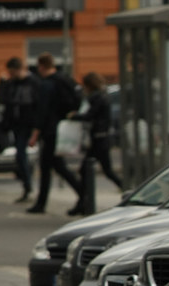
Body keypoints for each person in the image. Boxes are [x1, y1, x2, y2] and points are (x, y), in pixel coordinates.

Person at [27, 53, 84, 214]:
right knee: (52, 166)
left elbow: (42, 111)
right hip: (60, 127)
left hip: (50, 130)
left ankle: (82, 194)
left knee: (53, 166)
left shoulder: (47, 85)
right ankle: (42, 203)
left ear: (41, 66)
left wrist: (35, 134)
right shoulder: (63, 79)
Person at [68, 71, 124, 209]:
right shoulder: (99, 96)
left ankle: (83, 203)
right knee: (99, 170)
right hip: (99, 138)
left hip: (100, 139)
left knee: (96, 170)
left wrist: (74, 116)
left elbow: (90, 115)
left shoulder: (98, 98)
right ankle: (82, 202)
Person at [0, 56, 41, 203]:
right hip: (17, 125)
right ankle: (27, 186)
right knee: (19, 157)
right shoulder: (11, 84)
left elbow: (38, 106)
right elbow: (3, 101)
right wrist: (2, 85)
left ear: (18, 69)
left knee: (22, 155)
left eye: (12, 72)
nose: (10, 75)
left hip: (29, 125)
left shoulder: (33, 83)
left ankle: (29, 187)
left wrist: (36, 129)